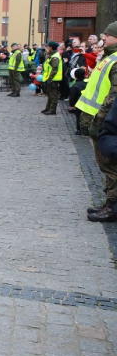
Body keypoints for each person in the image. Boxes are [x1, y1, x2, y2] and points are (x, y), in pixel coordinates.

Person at [75, 21, 117, 220]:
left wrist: (99, 120)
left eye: (107, 36)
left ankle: (112, 207)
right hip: (101, 120)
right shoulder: (109, 58)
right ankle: (109, 203)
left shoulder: (115, 60)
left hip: (107, 122)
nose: (103, 39)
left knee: (110, 165)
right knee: (105, 165)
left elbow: (113, 95)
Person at [42, 42, 63, 115]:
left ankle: (52, 109)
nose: (47, 48)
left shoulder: (55, 57)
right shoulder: (52, 55)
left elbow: (54, 69)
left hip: (53, 79)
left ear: (51, 47)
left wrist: (50, 78)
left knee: (53, 95)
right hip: (50, 78)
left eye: (48, 47)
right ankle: (48, 108)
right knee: (50, 94)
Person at [69, 68, 87, 135]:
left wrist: (72, 105)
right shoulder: (87, 83)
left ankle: (79, 129)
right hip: (86, 102)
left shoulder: (75, 85)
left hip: (78, 103)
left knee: (78, 117)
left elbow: (72, 96)